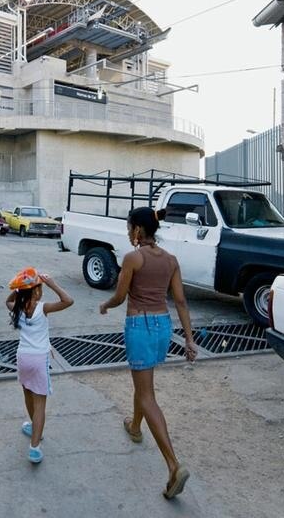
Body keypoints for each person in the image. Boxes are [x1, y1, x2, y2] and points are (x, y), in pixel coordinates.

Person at [99, 207, 197, 499]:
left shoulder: (133, 258)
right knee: (143, 384)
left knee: (146, 394)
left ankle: (173, 466)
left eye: (130, 229)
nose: (129, 234)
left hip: (139, 325)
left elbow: (119, 296)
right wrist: (189, 340)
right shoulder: (171, 260)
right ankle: (135, 426)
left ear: (138, 231)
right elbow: (180, 301)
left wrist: (105, 305)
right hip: (162, 326)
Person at [6, 267, 74, 463]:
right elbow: (68, 301)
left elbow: (7, 301)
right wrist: (53, 283)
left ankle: (33, 427)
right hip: (38, 359)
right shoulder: (41, 308)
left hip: (23, 357)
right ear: (36, 291)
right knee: (41, 404)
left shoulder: (17, 307)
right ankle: (34, 448)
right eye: (41, 287)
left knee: (28, 392)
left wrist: (19, 288)